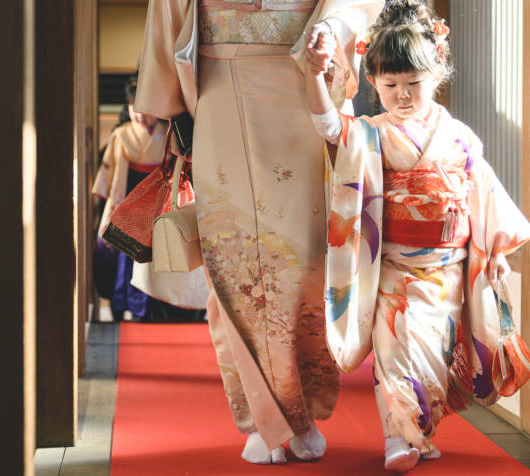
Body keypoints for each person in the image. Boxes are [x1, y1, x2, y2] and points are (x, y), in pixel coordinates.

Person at [134, 0, 384, 465]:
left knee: (307, 259)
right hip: (221, 83)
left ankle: (303, 411)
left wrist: (331, 27)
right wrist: (172, 105)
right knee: (232, 256)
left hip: (300, 79)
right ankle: (255, 417)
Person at [305, 0, 530, 471]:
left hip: (447, 272)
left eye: (414, 84)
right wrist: (315, 75)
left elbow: (483, 198)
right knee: (395, 349)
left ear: (438, 74)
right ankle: (398, 438)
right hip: (392, 267)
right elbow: (328, 126)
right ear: (372, 82)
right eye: (390, 86)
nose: (403, 96)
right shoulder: (370, 134)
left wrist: (495, 252)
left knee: (432, 356)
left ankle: (419, 433)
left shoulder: (461, 139)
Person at [93, 73, 208, 323]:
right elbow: (109, 174)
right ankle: (129, 305)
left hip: (161, 193)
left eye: (145, 111)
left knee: (159, 250)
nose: (141, 117)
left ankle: (158, 307)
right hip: (130, 194)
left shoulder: (169, 132)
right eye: (135, 111)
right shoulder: (120, 135)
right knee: (128, 252)